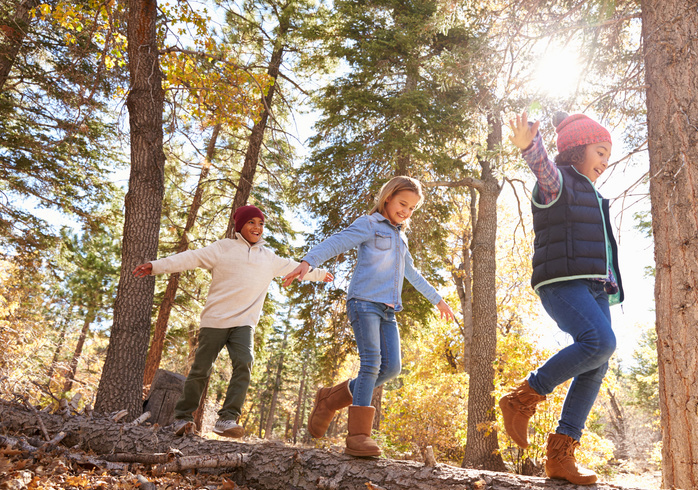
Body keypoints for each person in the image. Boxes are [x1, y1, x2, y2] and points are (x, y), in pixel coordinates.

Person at [283, 176, 456, 457]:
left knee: (391, 368)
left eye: (412, 208)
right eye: (403, 204)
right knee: (372, 363)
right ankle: (358, 436)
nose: (406, 212)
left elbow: (411, 273)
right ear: (387, 197)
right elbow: (337, 242)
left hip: (388, 310)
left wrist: (438, 300)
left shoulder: (401, 237)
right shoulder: (369, 224)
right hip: (364, 302)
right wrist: (308, 261)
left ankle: (330, 399)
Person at [133, 205, 333, 438]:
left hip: (244, 323)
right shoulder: (223, 248)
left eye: (261, 223)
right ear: (240, 226)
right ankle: (182, 418)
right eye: (251, 222)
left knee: (244, 362)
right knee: (200, 370)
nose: (257, 228)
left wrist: (318, 274)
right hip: (215, 320)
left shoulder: (268, 258)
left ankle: (227, 419)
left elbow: (295, 268)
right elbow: (190, 257)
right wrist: (155, 266)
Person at [500, 111, 624, 485]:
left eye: (608, 155)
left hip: (594, 287)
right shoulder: (560, 183)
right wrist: (530, 147)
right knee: (600, 341)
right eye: (600, 152)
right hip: (562, 283)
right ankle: (522, 398)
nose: (605, 161)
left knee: (597, 362)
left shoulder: (594, 194)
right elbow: (542, 169)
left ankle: (561, 456)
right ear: (575, 151)